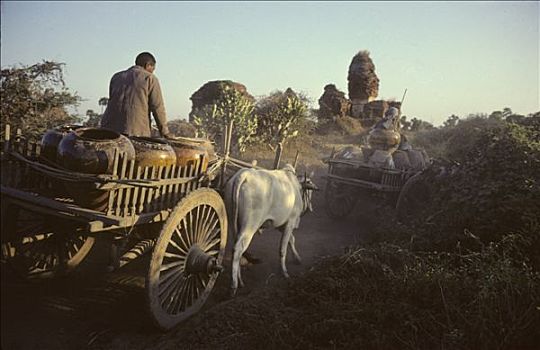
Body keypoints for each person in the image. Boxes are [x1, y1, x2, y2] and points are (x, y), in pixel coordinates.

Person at [101, 52, 171, 138]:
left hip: (109, 129)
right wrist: (165, 132)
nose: (152, 72)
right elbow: (157, 107)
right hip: (134, 132)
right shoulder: (150, 78)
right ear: (147, 65)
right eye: (153, 69)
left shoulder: (116, 77)